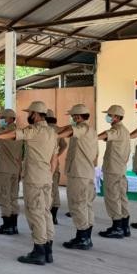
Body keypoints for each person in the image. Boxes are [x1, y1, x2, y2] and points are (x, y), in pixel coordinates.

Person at [0, 102, 59, 265]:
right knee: (45, 212)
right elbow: (54, 159)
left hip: (34, 179)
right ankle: (48, 250)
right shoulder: (52, 132)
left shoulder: (33, 130)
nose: (28, 116)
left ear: (35, 114)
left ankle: (39, 251)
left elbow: (15, 134)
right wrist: (48, 175)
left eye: (30, 113)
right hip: (45, 178)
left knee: (35, 213)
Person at [57, 104, 98, 250]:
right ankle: (86, 236)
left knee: (77, 204)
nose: (72, 118)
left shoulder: (81, 128)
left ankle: (82, 238)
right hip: (86, 173)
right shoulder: (90, 130)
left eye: (73, 116)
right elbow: (67, 129)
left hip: (79, 174)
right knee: (86, 204)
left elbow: (68, 131)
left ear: (78, 116)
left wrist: (52, 136)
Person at [98, 105, 131, 238]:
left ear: (116, 117)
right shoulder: (125, 130)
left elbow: (106, 135)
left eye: (109, 115)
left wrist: (91, 137)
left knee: (112, 197)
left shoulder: (117, 130)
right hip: (120, 169)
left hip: (113, 170)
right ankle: (124, 227)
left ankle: (117, 227)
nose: (107, 117)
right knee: (122, 197)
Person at [0, 109, 22, 236]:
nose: (1, 120)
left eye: (3, 117)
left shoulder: (3, 131)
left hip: (4, 169)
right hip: (15, 169)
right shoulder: (20, 132)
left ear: (10, 119)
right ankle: (14, 226)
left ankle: (7, 225)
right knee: (13, 197)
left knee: (3, 196)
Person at [46, 110, 67, 224]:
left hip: (44, 164)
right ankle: (54, 216)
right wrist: (57, 156)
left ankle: (47, 214)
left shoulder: (44, 129)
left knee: (46, 190)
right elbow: (64, 145)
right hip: (55, 164)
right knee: (54, 189)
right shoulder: (58, 129)